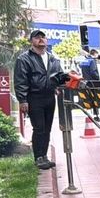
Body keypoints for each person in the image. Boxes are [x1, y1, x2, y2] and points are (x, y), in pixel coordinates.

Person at [14, 29, 65, 170]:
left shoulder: (52, 58)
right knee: (39, 128)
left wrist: (63, 82)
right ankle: (38, 157)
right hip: (34, 98)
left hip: (50, 97)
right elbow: (20, 80)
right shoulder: (24, 59)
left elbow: (58, 76)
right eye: (37, 37)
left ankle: (44, 156)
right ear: (32, 41)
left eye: (43, 37)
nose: (41, 39)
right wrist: (23, 100)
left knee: (47, 128)